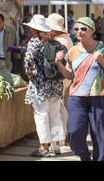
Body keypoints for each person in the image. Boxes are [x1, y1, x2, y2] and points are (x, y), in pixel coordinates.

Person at [55, 17, 104, 161]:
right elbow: (69, 76)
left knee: (101, 137)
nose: (79, 31)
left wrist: (102, 61)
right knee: (73, 133)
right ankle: (85, 157)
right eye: (77, 29)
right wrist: (58, 63)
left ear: (91, 31)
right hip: (76, 98)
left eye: (83, 29)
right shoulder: (72, 51)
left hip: (100, 97)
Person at [23, 14, 65, 157]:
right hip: (56, 84)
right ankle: (56, 146)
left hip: (41, 85)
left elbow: (28, 60)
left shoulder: (34, 42)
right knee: (55, 114)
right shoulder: (53, 40)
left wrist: (30, 74)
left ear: (35, 29)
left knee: (41, 115)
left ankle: (44, 147)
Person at [46, 13, 73, 148]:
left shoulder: (61, 41)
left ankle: (64, 135)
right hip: (65, 75)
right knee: (60, 105)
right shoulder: (65, 38)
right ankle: (64, 135)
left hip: (62, 75)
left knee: (59, 106)